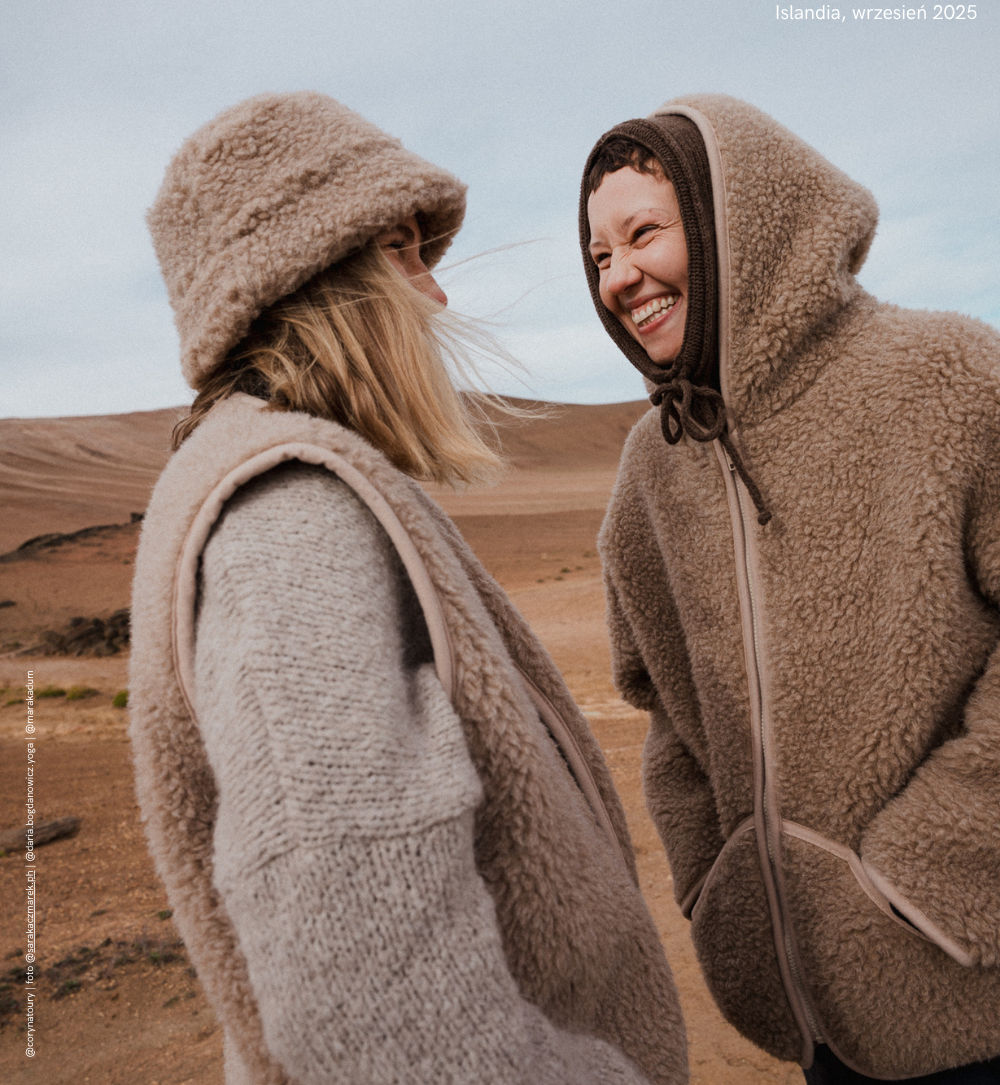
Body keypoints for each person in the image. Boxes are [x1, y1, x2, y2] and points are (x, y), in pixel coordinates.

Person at [127, 91, 688, 1085]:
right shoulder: (283, 520)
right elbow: (381, 1018)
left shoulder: (285, 479)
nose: (435, 295)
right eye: (402, 251)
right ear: (308, 272)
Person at [579, 94, 1000, 1084]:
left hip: (978, 979)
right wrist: (717, 880)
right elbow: (664, 711)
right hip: (820, 1022)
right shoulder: (651, 468)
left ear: (737, 224)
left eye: (643, 232)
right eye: (598, 254)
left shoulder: (945, 374)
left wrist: (930, 876)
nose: (620, 275)